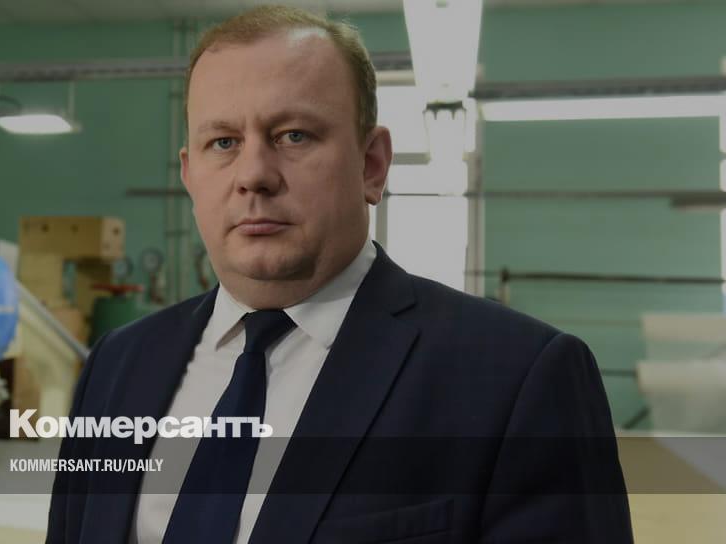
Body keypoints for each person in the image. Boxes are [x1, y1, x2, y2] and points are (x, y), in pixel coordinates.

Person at [47, 5, 634, 543]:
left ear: (372, 165)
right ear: (189, 174)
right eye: (223, 142)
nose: (253, 175)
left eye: (293, 135)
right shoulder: (117, 367)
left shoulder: (517, 380)